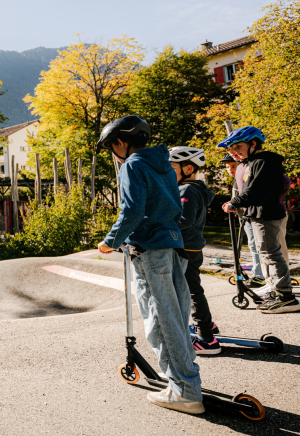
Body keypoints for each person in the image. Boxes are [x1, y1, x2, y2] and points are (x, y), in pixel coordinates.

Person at [96, 116, 203, 414]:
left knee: (161, 320)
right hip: (173, 245)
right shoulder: (164, 164)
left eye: (111, 146)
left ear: (120, 141)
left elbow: (131, 210)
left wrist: (111, 240)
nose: (113, 153)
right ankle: (185, 380)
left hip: (149, 248)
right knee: (177, 316)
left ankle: (185, 391)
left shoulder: (132, 165)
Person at [219, 126, 300, 313]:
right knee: (265, 254)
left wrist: (235, 202)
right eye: (230, 149)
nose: (233, 152)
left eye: (237, 147)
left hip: (267, 213)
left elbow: (257, 190)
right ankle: (275, 289)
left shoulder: (264, 162)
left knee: (271, 254)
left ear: (253, 143)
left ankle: (286, 297)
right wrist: (237, 202)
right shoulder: (251, 162)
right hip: (257, 213)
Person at [168, 147, 219, 355]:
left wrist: (158, 227)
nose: (167, 172)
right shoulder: (191, 188)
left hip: (185, 248)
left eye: (172, 168)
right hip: (190, 246)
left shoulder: (187, 189)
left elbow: (184, 220)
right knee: (192, 289)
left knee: (191, 291)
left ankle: (207, 338)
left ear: (188, 169)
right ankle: (207, 325)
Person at [222, 154, 264, 286]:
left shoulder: (246, 179)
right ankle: (258, 273)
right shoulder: (237, 181)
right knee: (251, 244)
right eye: (227, 167)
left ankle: (259, 275)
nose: (230, 169)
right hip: (243, 216)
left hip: (250, 215)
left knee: (255, 244)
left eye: (233, 166)